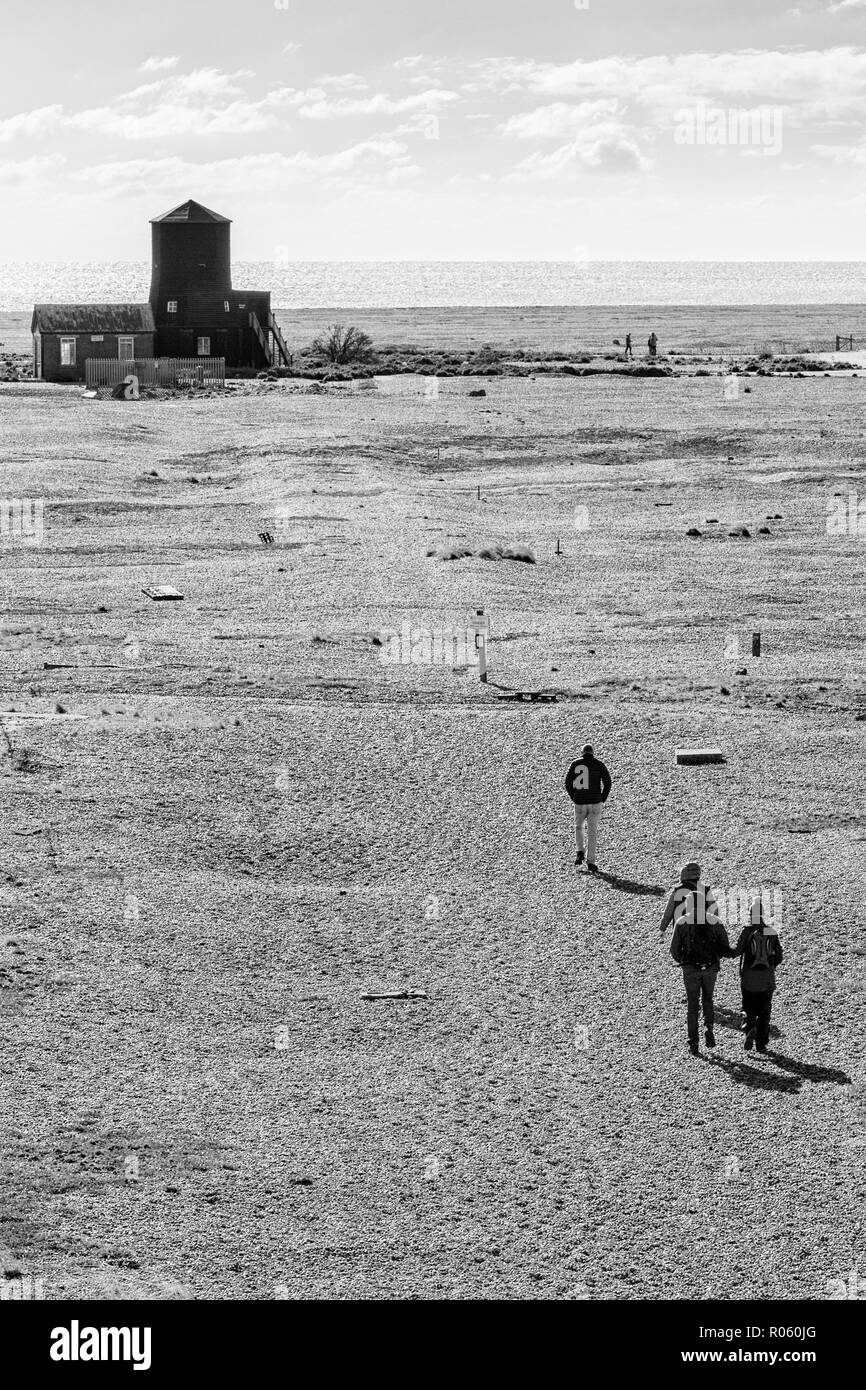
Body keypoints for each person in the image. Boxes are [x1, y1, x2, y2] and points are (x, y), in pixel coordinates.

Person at [670, 883, 735, 1055]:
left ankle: (693, 1042)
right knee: (708, 999)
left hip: (690, 969)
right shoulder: (715, 921)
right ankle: (709, 1027)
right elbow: (724, 947)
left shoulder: (682, 922)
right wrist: (713, 961)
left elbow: (674, 950)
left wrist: (685, 962)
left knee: (692, 1005)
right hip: (710, 968)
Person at [731, 899, 783, 1053]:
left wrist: (722, 950)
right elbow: (779, 956)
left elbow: (736, 952)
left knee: (748, 1006)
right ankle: (761, 1044)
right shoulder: (770, 931)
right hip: (767, 979)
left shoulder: (747, 931)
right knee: (765, 1011)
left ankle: (749, 1028)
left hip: (749, 978)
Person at [564, 744, 611, 872]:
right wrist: (602, 798)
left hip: (580, 801)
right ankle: (591, 861)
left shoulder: (575, 764)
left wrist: (574, 796)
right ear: (592, 753)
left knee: (579, 827)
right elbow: (608, 782)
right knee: (592, 832)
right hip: (595, 802)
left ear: (582, 753)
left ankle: (580, 850)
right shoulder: (599, 764)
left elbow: (567, 783)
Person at [658, 862, 722, 936]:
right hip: (703, 929)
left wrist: (662, 929)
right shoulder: (706, 890)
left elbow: (668, 912)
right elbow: (715, 910)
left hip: (681, 929)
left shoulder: (677, 891)